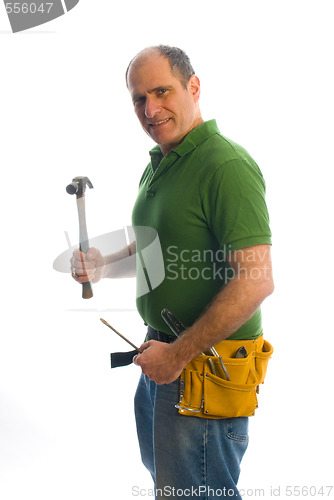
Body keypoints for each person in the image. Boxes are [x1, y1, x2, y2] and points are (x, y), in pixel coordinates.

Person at [71, 45, 274, 499]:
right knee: (173, 487)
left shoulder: (226, 166)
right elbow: (154, 249)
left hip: (203, 364)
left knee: (196, 492)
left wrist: (178, 355)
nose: (150, 108)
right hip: (161, 354)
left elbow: (257, 280)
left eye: (162, 91)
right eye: (139, 99)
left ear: (194, 87)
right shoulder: (163, 162)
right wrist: (103, 264)